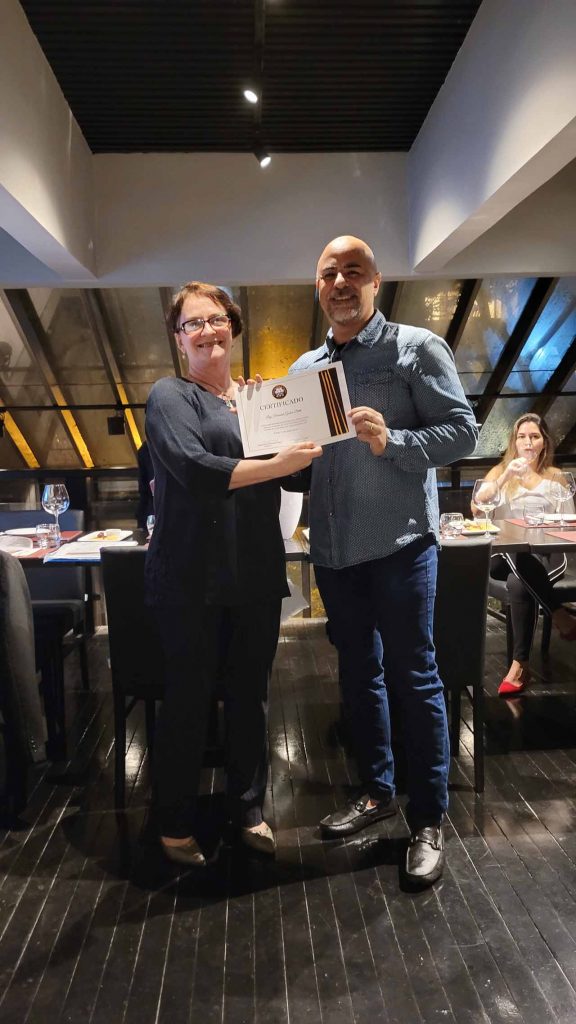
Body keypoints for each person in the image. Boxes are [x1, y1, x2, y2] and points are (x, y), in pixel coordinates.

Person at [289, 235, 478, 886]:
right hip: (335, 550)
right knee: (356, 676)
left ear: (375, 282)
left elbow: (463, 432)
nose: (339, 282)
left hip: (400, 546)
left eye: (352, 272)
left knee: (414, 678)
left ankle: (427, 818)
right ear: (318, 288)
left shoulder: (415, 348)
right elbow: (297, 469)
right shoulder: (306, 366)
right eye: (327, 273)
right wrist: (260, 433)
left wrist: (392, 439)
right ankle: (375, 791)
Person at [145, 281, 321, 867]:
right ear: (179, 338)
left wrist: (313, 437)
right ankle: (173, 821)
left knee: (249, 700)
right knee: (190, 701)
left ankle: (249, 808)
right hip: (190, 579)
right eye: (193, 323)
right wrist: (275, 460)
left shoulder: (252, 401)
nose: (207, 331)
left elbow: (293, 478)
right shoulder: (170, 395)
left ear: (233, 328)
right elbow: (196, 470)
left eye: (216, 319)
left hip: (253, 573)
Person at [474, 414, 576, 697]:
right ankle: (560, 615)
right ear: (514, 442)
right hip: (503, 557)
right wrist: (507, 475)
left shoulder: (555, 476)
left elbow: (570, 521)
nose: (528, 442)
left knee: (520, 582)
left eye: (535, 437)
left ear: (544, 443)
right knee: (515, 553)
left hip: (546, 556)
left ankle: (520, 666)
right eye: (522, 437)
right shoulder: (500, 472)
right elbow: (477, 505)